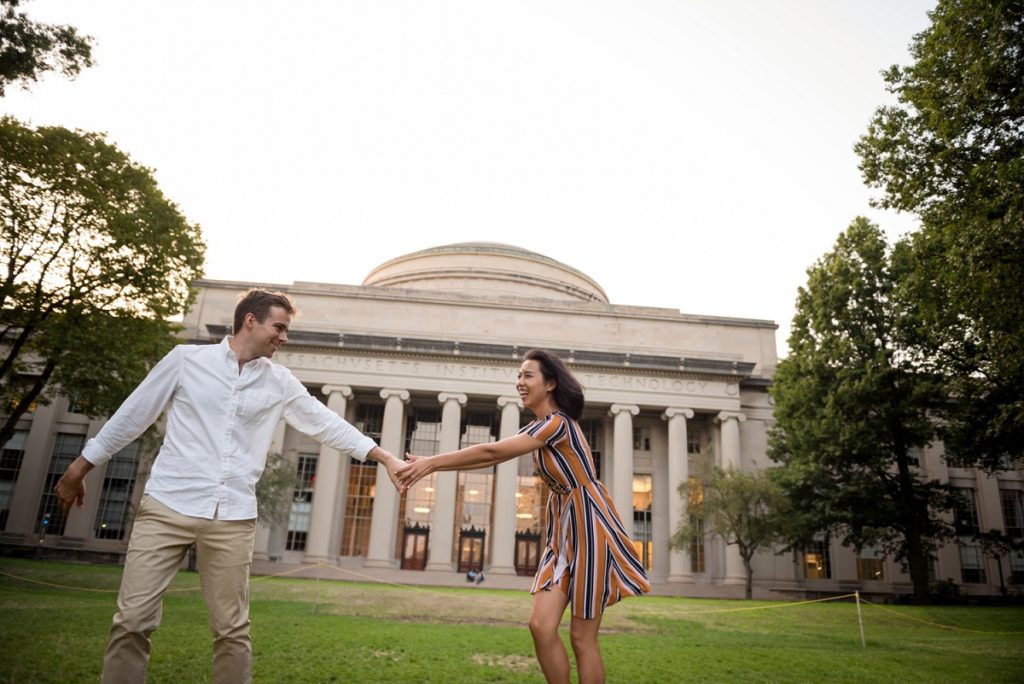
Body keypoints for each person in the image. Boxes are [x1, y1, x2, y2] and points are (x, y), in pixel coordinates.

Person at [54, 289, 404, 684]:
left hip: (233, 517)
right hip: (168, 506)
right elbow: (134, 414)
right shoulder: (186, 361)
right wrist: (80, 466)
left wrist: (383, 456)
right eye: (280, 327)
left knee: (232, 630)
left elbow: (326, 423)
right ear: (250, 321)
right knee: (132, 619)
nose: (284, 337)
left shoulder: (280, 382)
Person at [396, 349, 649, 684]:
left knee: (582, 637)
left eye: (528, 376)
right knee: (541, 626)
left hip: (591, 527)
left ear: (551, 384)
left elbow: (491, 451)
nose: (520, 382)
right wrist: (434, 466)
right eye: (519, 376)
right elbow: (489, 458)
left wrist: (431, 463)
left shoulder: (557, 425)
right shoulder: (540, 427)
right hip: (564, 531)